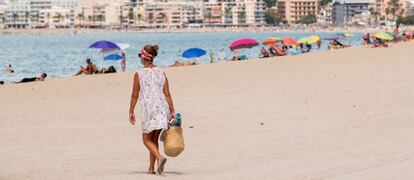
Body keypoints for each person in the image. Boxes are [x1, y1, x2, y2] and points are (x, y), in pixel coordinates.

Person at [129, 45, 175, 176]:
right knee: (153, 140)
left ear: (144, 57)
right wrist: (172, 110)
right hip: (162, 110)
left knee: (146, 140)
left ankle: (160, 158)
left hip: (149, 110)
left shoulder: (139, 74)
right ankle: (151, 168)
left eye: (140, 55)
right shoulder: (162, 72)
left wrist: (131, 111)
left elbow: (134, 95)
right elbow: (167, 94)